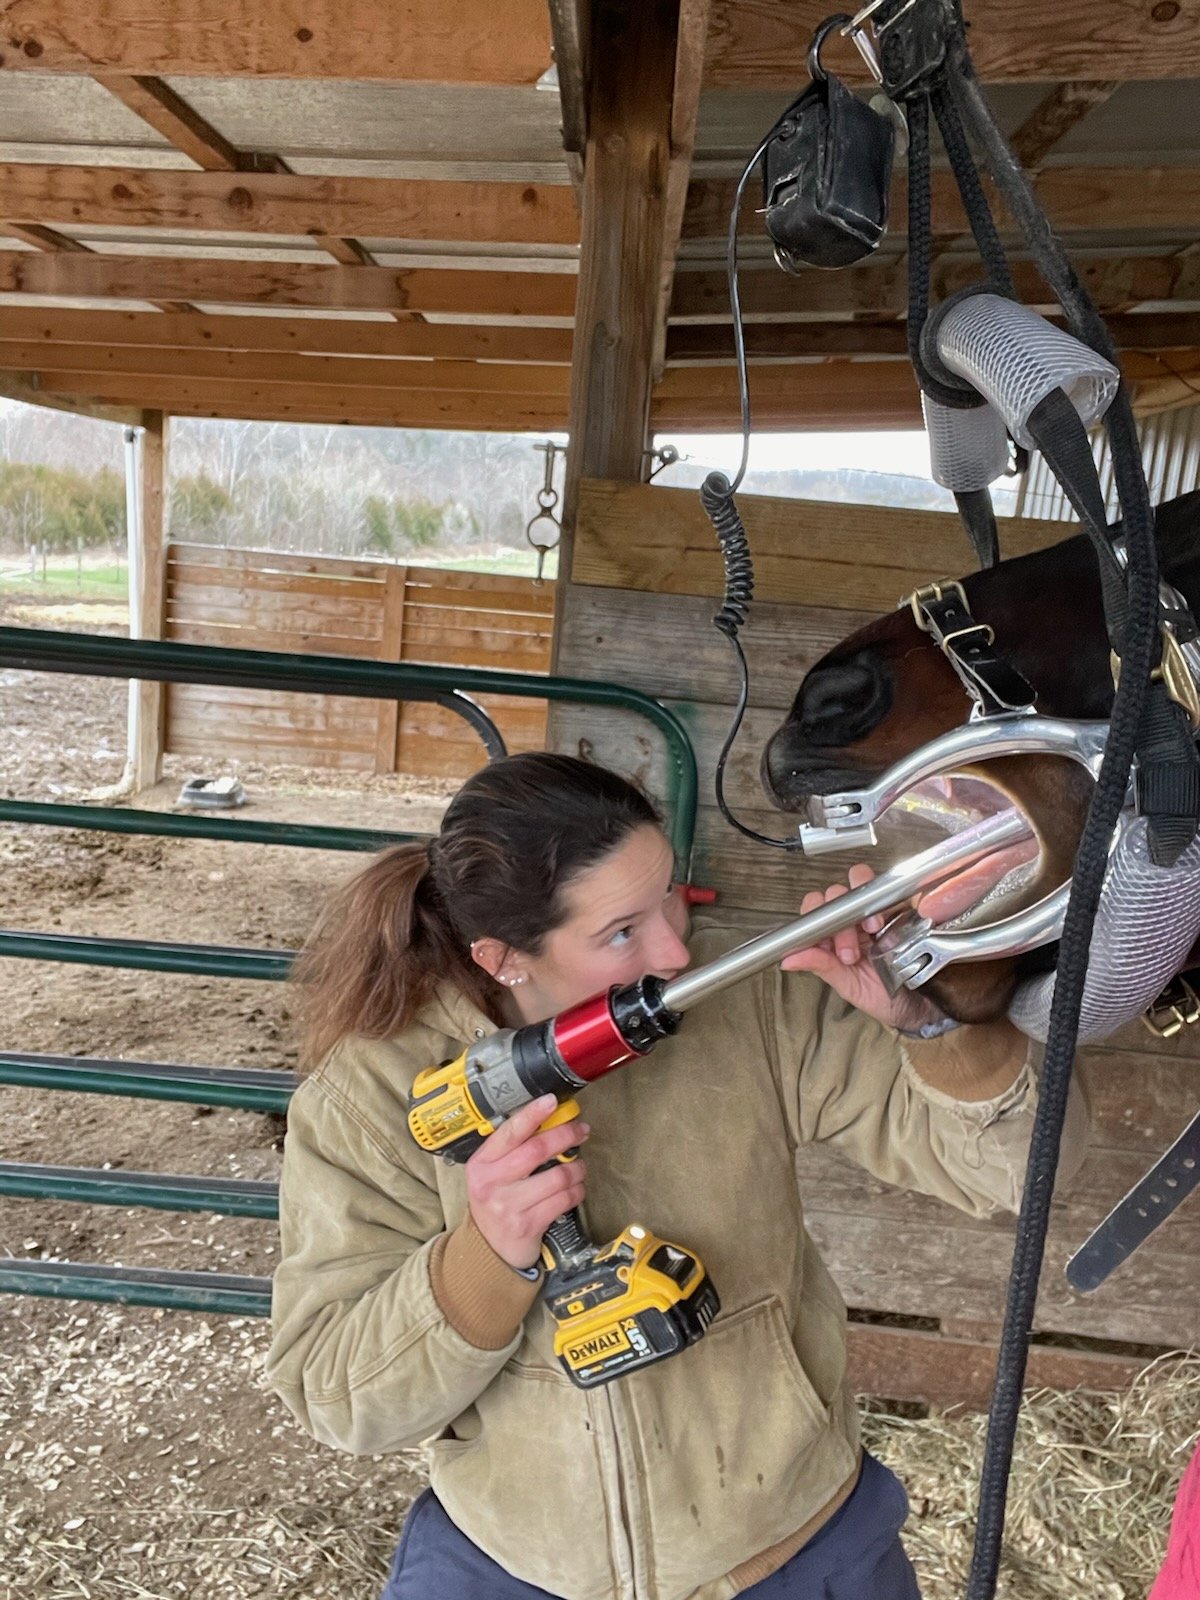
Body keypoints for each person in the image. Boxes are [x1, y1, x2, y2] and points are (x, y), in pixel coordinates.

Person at [266, 751, 1090, 1600]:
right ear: (505, 958)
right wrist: (487, 1256)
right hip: (517, 1566)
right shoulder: (371, 1096)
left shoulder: (744, 996)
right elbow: (338, 1399)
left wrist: (932, 1017)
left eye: (670, 893)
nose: (674, 944)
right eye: (622, 931)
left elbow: (1027, 1172)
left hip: (794, 1549)